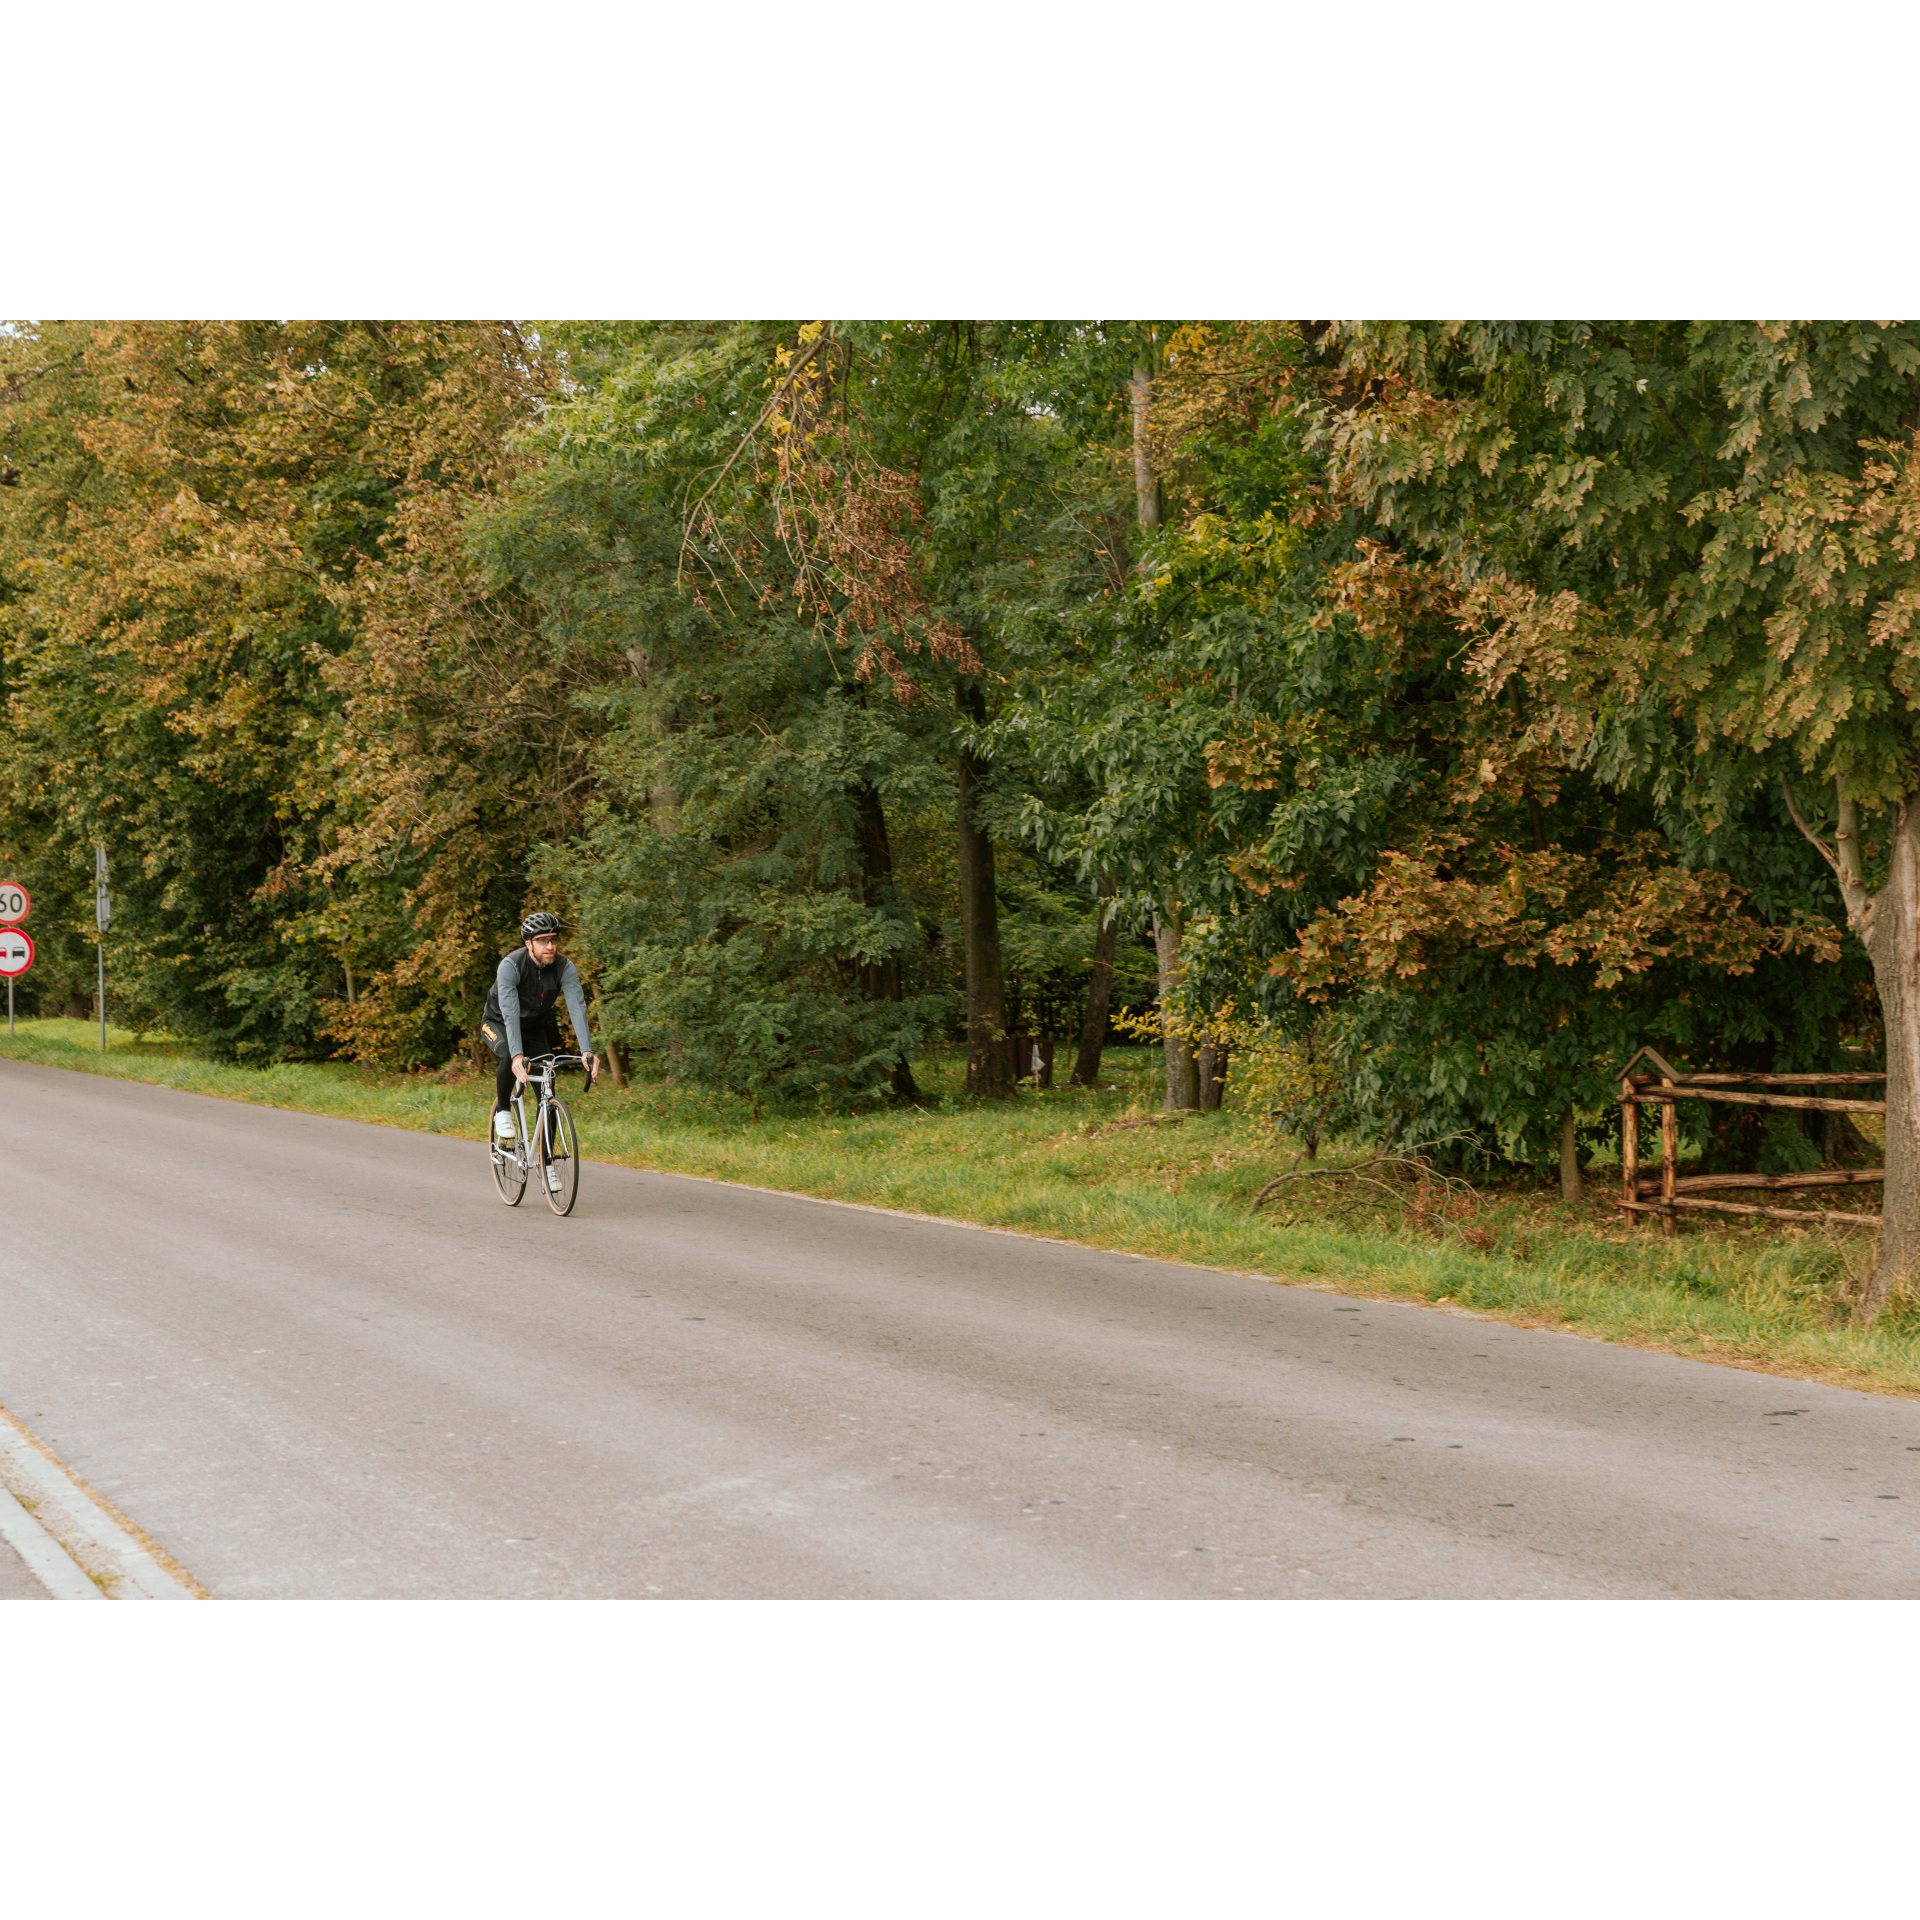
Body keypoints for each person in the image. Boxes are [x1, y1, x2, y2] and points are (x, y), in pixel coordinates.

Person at [481, 912, 599, 1145]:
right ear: (528, 944)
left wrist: (587, 1051)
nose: (550, 946)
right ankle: (503, 1111)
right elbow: (510, 1013)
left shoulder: (564, 967)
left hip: (532, 1028)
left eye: (554, 939)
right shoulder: (511, 966)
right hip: (497, 1022)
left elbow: (577, 1008)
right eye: (543, 940)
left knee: (548, 1093)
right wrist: (517, 1055)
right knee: (508, 1055)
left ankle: (548, 1164)